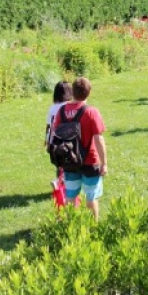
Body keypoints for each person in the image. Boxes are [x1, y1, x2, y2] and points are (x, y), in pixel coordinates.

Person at [51, 77, 107, 220]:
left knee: (70, 195)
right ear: (89, 93)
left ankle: (71, 225)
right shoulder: (91, 112)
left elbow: (54, 134)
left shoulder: (62, 111)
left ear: (72, 92)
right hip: (90, 160)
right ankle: (93, 227)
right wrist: (104, 163)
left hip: (70, 160)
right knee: (91, 196)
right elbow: (98, 139)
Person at [45, 81, 72, 148]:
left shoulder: (52, 107)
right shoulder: (70, 106)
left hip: (54, 142)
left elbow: (48, 126)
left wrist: (46, 140)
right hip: (68, 140)